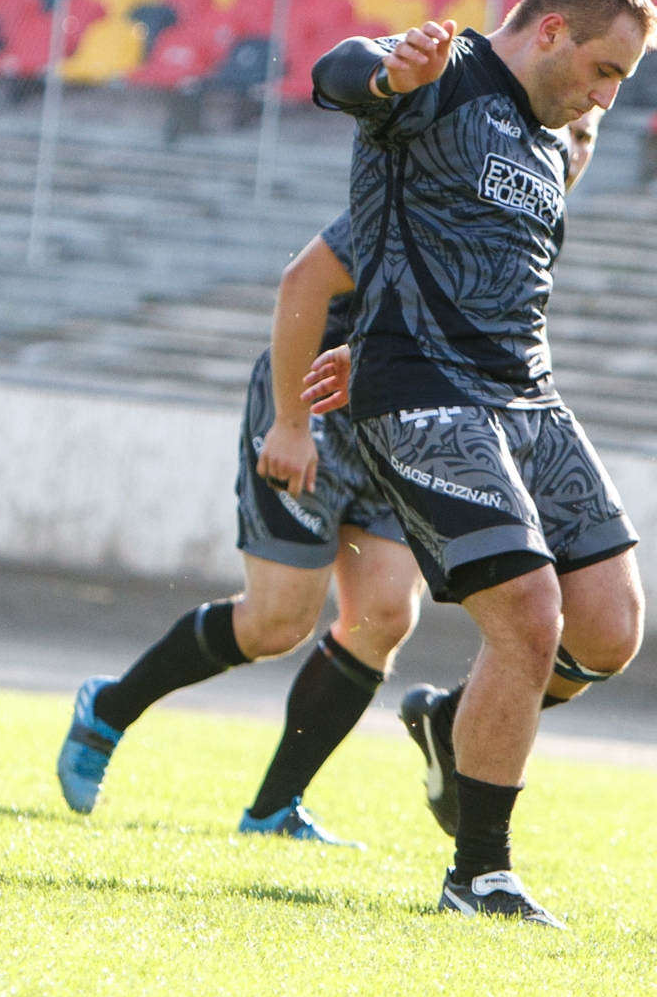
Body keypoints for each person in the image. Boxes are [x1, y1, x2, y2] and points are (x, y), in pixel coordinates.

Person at [53, 108, 608, 846]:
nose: (573, 147)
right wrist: (289, 421)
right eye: (565, 129)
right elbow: (303, 282)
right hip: (312, 406)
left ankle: (272, 809)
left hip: (401, 425)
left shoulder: (530, 223)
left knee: (384, 613)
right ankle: (109, 708)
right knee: (277, 619)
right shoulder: (449, 190)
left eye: (589, 138)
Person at [310, 0, 657, 926]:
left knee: (608, 628)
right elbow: (337, 69)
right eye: (603, 70)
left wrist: (576, 142)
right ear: (551, 30)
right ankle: (479, 873)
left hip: (526, 396)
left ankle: (443, 718)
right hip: (421, 392)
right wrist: (389, 75)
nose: (606, 95)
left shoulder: (560, 136)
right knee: (528, 615)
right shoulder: (442, 74)